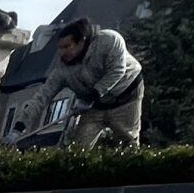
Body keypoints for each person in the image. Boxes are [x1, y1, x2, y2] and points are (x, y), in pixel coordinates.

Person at [45, 17, 144, 150]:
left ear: (81, 42)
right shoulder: (66, 67)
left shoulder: (110, 40)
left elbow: (117, 71)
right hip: (95, 104)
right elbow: (42, 96)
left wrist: (90, 98)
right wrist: (19, 127)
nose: (63, 52)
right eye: (61, 47)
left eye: (67, 46)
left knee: (129, 140)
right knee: (78, 147)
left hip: (126, 95)